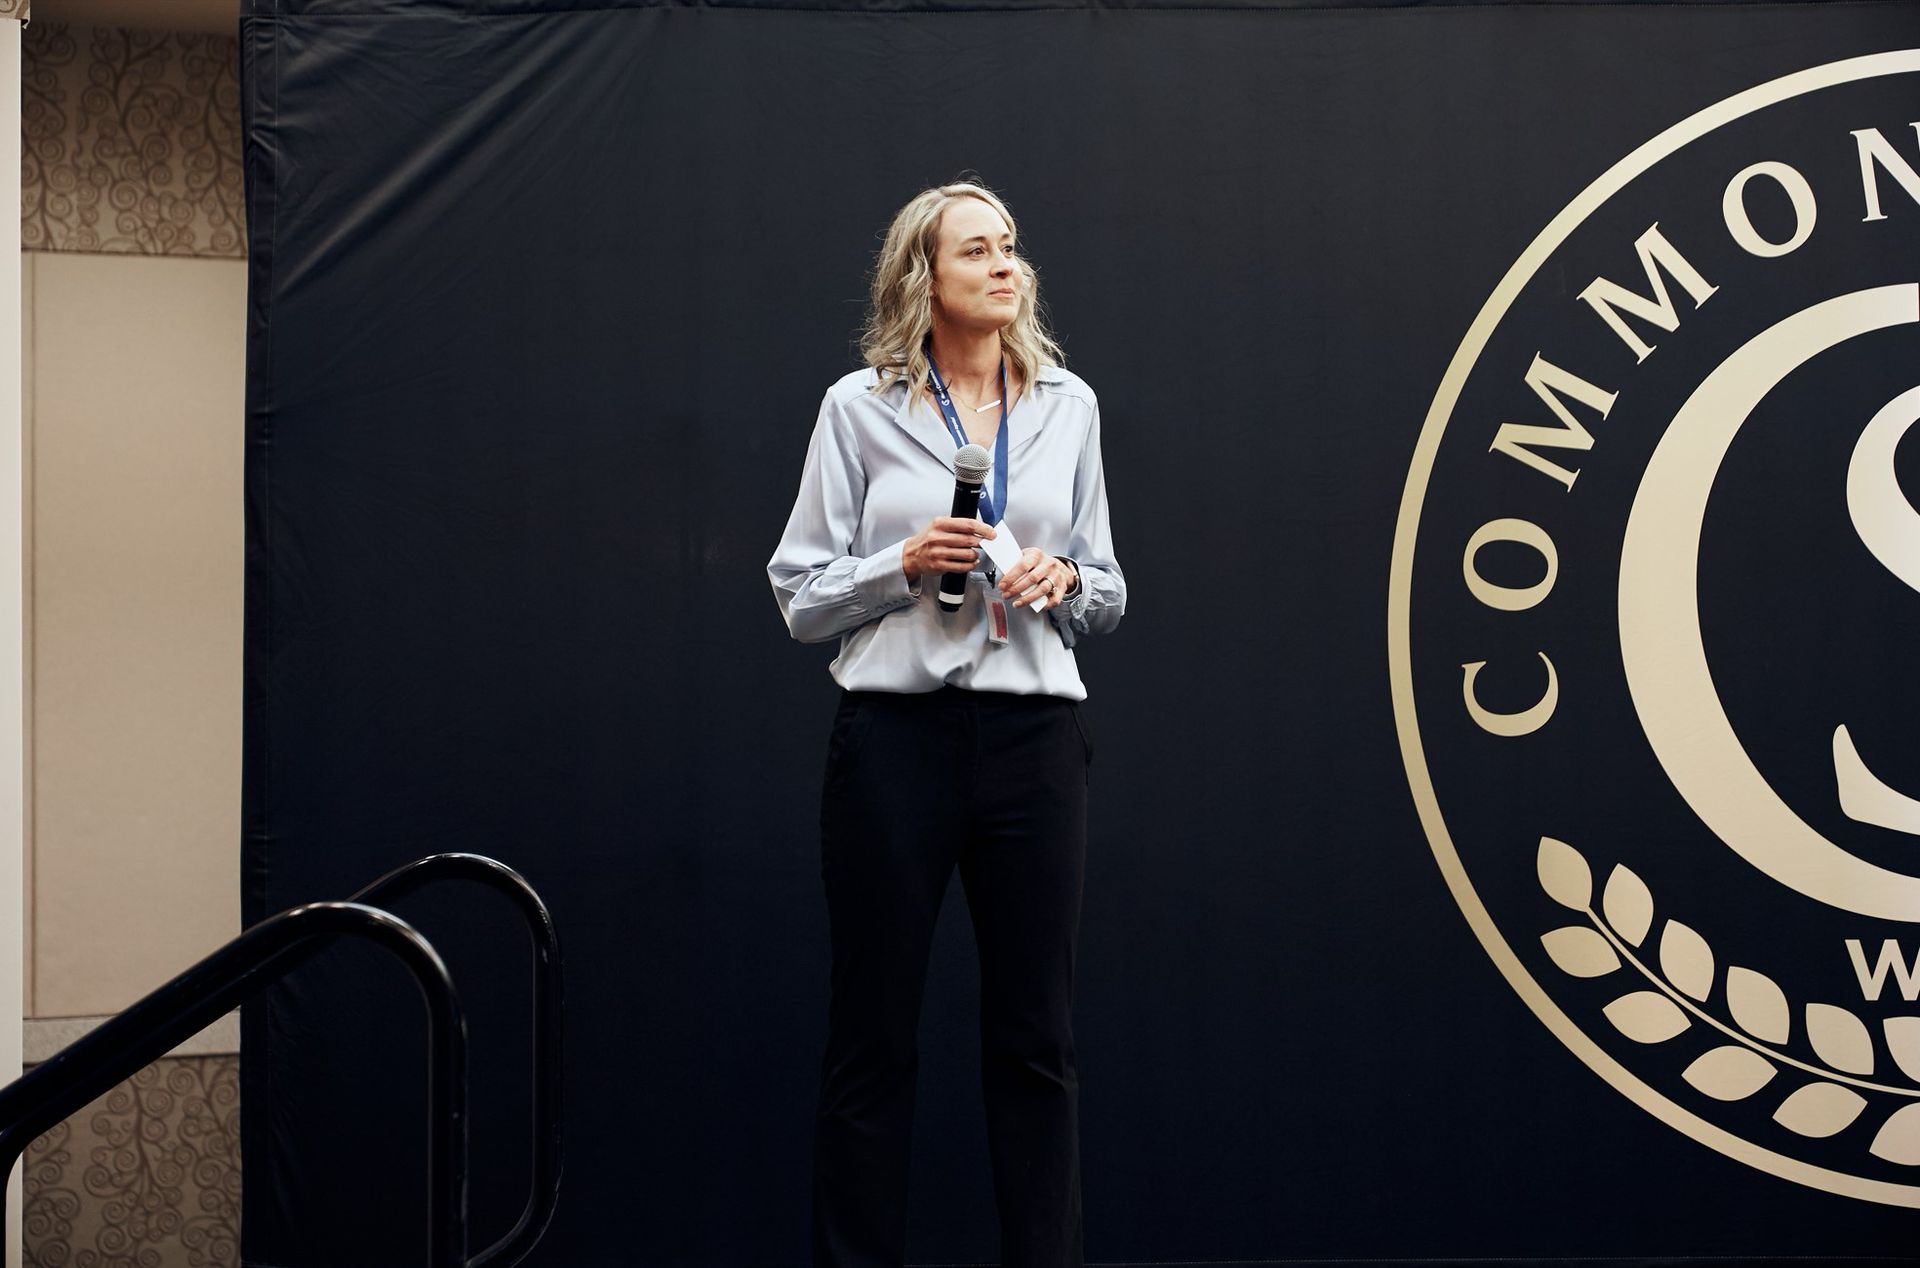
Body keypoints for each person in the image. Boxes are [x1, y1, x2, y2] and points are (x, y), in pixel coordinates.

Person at [767, 181, 1124, 1268]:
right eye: (978, 249)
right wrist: (899, 564)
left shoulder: (1069, 403)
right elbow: (798, 594)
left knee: (1038, 1042)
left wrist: (1064, 578)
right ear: (924, 278)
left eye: (1012, 246)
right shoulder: (857, 408)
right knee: (872, 1038)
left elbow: (1107, 592)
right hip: (895, 742)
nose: (1006, 265)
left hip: (1034, 747)